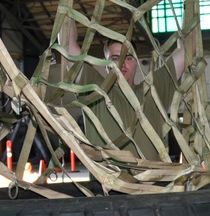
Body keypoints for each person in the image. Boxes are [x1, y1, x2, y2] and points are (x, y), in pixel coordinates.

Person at [59, 19, 192, 160]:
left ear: (136, 62)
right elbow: (67, 46)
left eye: (128, 58)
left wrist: (188, 1)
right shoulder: (94, 89)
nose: (122, 64)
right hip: (107, 181)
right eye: (115, 58)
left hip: (154, 180)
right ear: (105, 63)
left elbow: (186, 51)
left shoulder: (153, 91)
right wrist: (67, 0)